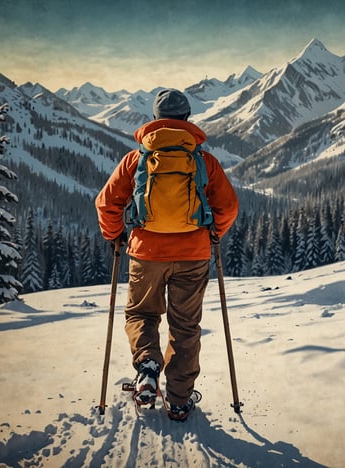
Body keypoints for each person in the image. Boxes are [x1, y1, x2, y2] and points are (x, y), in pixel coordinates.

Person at [95, 89, 239, 421]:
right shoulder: (203, 161)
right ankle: (178, 400)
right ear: (188, 118)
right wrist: (212, 232)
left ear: (156, 119)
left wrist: (115, 234)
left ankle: (147, 364)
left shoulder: (136, 159)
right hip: (194, 253)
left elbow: (106, 203)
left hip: (146, 253)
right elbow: (228, 206)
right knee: (185, 326)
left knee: (142, 314)